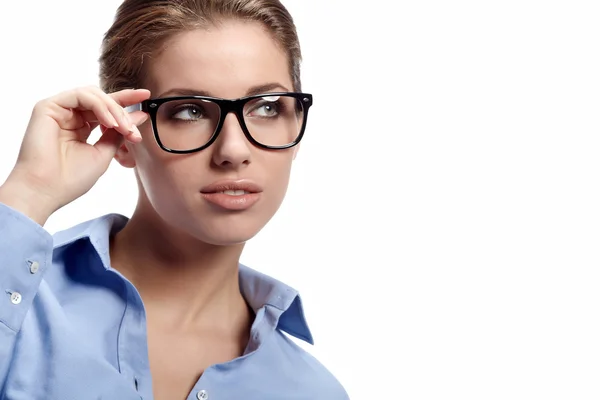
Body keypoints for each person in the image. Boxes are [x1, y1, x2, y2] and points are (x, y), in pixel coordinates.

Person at [0, 0, 348, 398]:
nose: (234, 150)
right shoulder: (18, 299)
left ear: (297, 124)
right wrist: (29, 192)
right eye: (188, 111)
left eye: (266, 107)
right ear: (122, 130)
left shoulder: (310, 391)